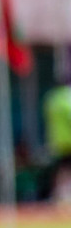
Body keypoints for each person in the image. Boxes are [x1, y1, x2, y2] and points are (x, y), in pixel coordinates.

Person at [43, 69, 71, 206]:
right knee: (66, 168)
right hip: (68, 140)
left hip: (56, 140)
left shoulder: (51, 99)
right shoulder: (67, 97)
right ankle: (65, 194)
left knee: (61, 168)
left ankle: (59, 194)